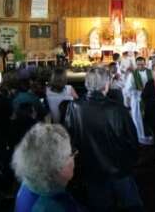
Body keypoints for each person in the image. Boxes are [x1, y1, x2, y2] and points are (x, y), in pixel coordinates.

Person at [65, 67, 142, 212]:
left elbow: (70, 139)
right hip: (119, 170)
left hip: (91, 170)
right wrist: (130, 162)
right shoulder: (118, 109)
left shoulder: (74, 107)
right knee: (132, 206)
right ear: (106, 85)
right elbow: (132, 141)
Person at [12, 123, 83, 212]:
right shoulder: (55, 207)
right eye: (70, 153)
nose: (74, 156)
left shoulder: (28, 183)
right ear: (57, 168)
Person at [123, 56, 153, 145]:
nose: (140, 66)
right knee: (138, 119)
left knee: (150, 118)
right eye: (138, 64)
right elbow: (127, 89)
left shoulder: (150, 72)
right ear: (136, 64)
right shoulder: (132, 75)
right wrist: (137, 92)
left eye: (142, 64)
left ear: (145, 63)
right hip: (137, 101)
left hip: (149, 101)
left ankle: (151, 137)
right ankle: (141, 138)